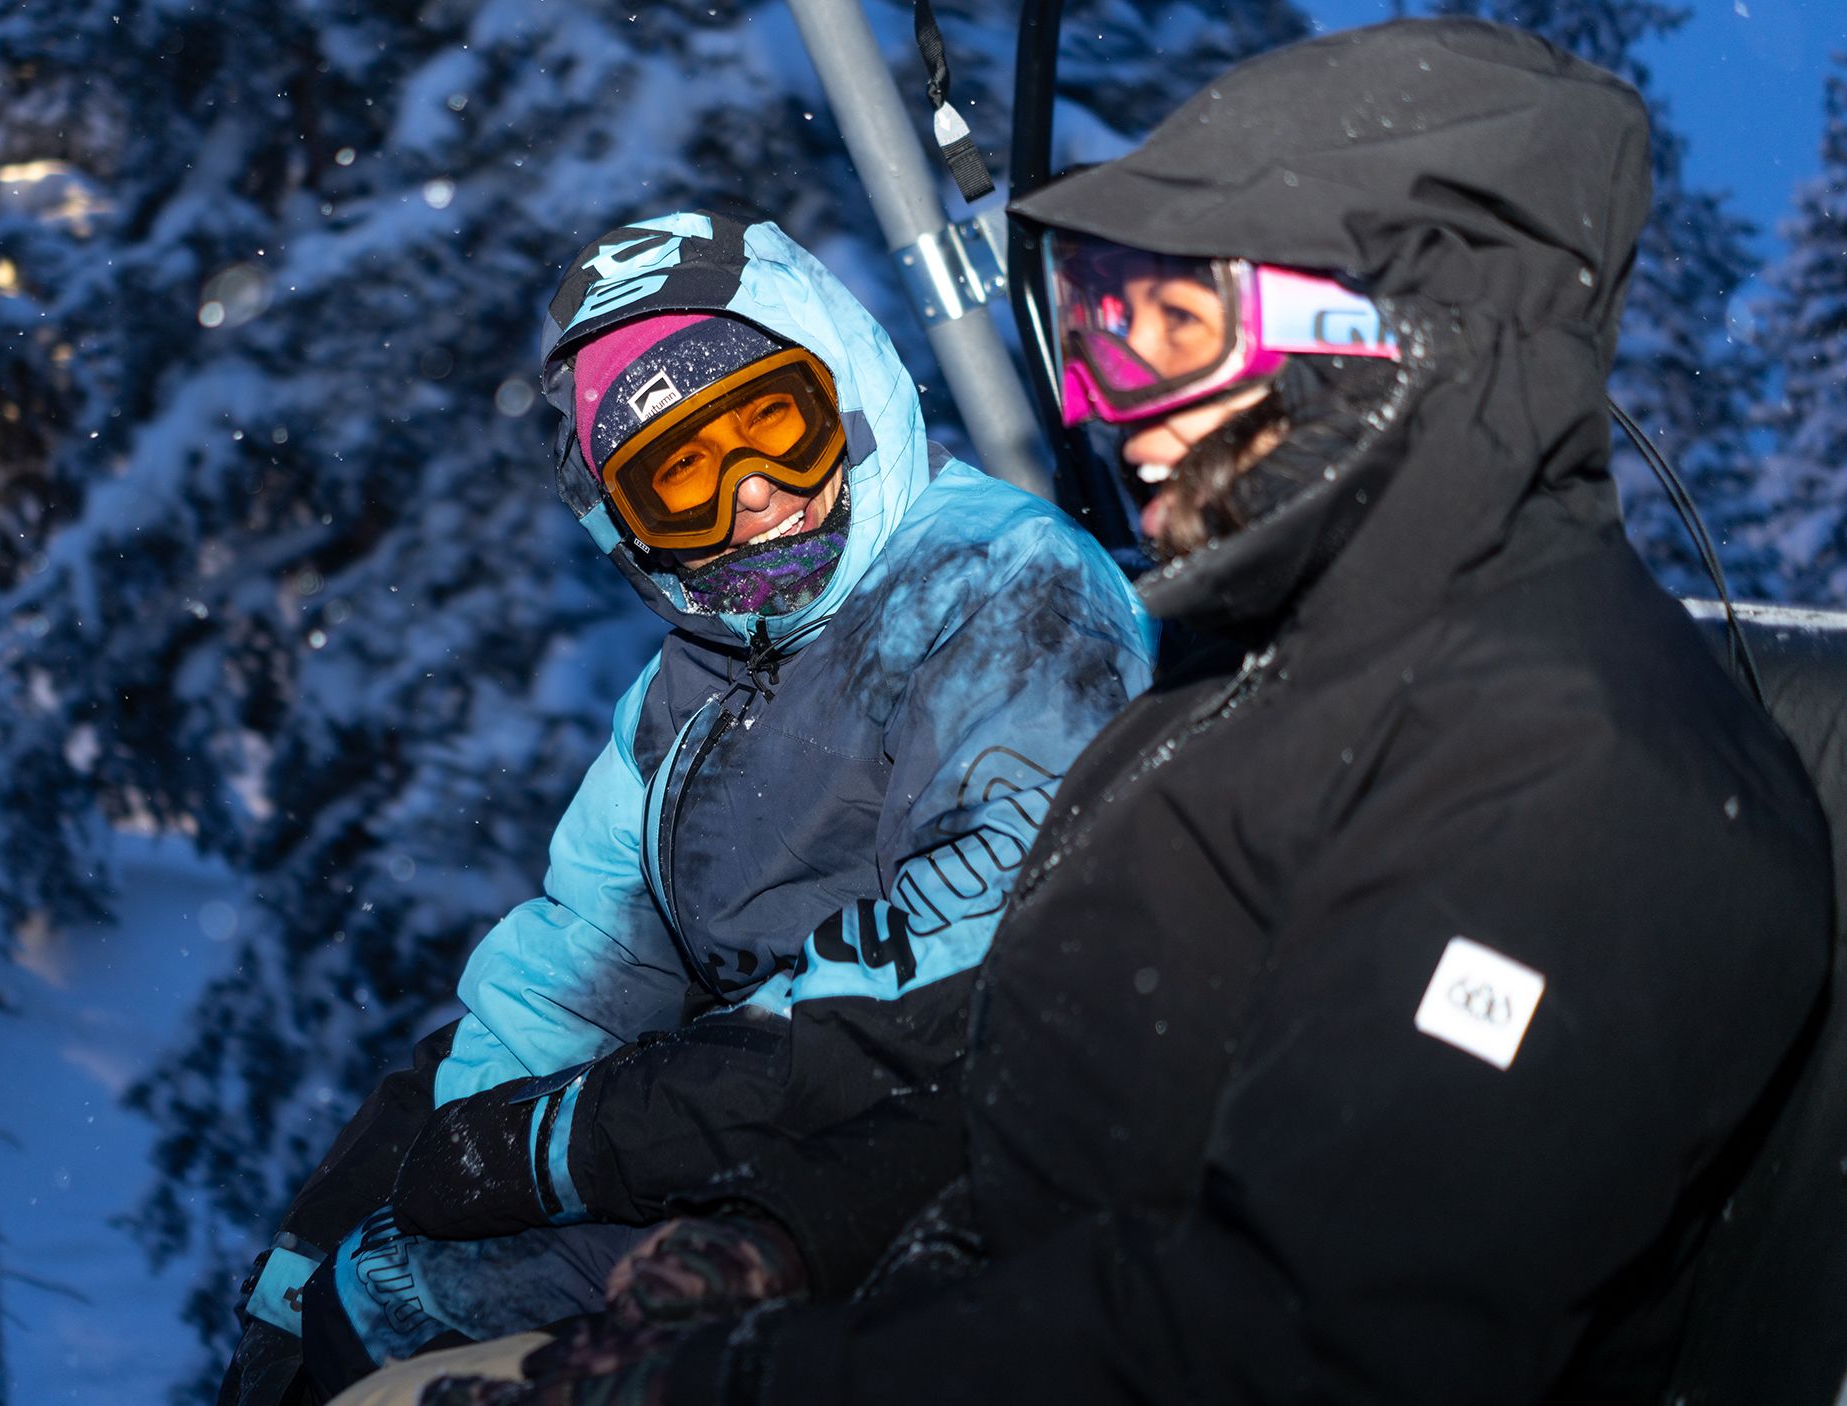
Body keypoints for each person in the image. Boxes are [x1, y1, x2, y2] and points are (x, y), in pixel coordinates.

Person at [394, 17, 1834, 1405]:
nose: (1115, 409)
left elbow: (1306, 1343)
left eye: (1173, 331)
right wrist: (792, 1230)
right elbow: (1051, 1063)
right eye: (1099, 337)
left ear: (1406, 329)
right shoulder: (1266, 672)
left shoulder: (1572, 787)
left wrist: (749, 1380)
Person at [218, 212, 1155, 1404]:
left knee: (427, 1317)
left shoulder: (993, 582)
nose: (753, 496)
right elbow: (577, 964)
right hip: (752, 1144)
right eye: (682, 478)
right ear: (634, 529)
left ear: (846, 398)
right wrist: (352, 1226)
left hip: (946, 1153)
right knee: (372, 1298)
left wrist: (592, 1133)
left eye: (772, 423)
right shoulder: (692, 688)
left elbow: (997, 923)